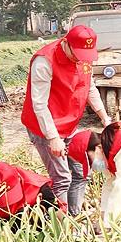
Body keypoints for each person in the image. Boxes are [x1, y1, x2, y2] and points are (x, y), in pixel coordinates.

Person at [21, 25, 111, 214]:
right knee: (62, 178)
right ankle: (60, 226)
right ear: (66, 43)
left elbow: (90, 87)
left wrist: (104, 117)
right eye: (77, 53)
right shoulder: (44, 61)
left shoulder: (83, 59)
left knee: (80, 172)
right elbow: (39, 104)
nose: (80, 59)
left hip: (69, 124)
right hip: (45, 125)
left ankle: (73, 216)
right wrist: (53, 138)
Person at [0, 162, 57, 239]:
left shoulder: (38, 187)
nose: (7, 205)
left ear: (19, 180)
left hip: (24, 220)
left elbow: (57, 215)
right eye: (2, 200)